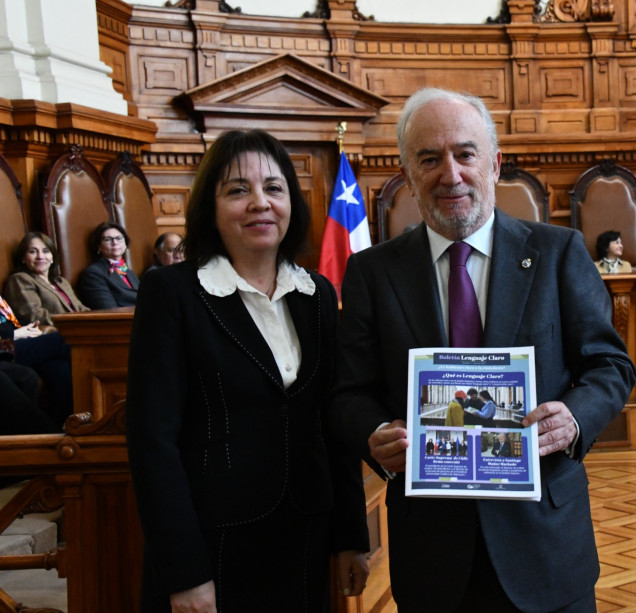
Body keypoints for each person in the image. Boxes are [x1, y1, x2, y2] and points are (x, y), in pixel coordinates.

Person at [329, 87, 636, 613]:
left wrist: (574, 418)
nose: (450, 174)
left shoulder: (557, 252)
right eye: (429, 158)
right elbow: (348, 392)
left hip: (545, 545)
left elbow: (611, 365)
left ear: (494, 165)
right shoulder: (373, 273)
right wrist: (373, 432)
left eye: (464, 154)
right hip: (433, 555)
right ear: (407, 173)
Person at [125, 129, 369, 613]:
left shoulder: (316, 293)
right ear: (209, 209)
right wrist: (185, 571)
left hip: (304, 536)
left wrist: (350, 535)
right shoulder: (172, 293)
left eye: (274, 188)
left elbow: (330, 427)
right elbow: (153, 442)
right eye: (238, 190)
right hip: (212, 546)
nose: (260, 203)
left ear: (291, 204)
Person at [0, 293, 72, 429]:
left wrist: (30, 328)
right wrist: (16, 333)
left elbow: (12, 320)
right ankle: (51, 434)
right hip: (6, 346)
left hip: (19, 340)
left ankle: (67, 425)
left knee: (60, 369)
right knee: (63, 340)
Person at [3, 232, 90, 326]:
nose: (40, 256)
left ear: (52, 258)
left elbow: (80, 308)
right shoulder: (20, 279)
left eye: (46, 251)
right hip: (58, 333)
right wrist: (75, 323)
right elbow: (35, 316)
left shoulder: (61, 281)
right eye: (33, 251)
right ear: (23, 258)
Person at [78, 221, 140, 309]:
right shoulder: (93, 274)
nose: (115, 242)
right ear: (98, 246)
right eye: (107, 239)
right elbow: (109, 310)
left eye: (119, 238)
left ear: (125, 243)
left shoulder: (129, 272)